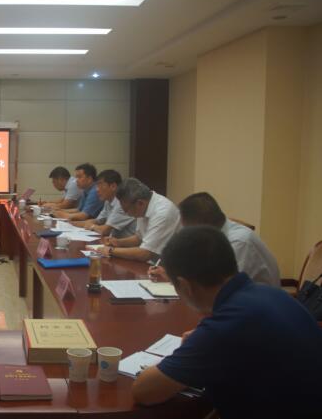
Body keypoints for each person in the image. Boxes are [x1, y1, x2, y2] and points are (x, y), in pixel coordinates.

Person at [132, 226, 322, 419]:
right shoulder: (272, 294)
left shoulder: (224, 328)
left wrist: (192, 351)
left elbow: (144, 392)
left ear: (184, 286)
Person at [148, 192, 280, 286]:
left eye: (187, 228)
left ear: (202, 224)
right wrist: (172, 276)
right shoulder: (213, 236)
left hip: (258, 309)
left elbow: (224, 287)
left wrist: (180, 281)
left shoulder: (238, 242)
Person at [98, 178, 179, 262]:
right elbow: (139, 238)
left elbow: (145, 253)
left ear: (140, 203)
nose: (126, 213)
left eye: (127, 210)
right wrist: (118, 242)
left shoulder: (162, 213)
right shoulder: (144, 204)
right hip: (155, 263)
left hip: (171, 265)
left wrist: (111, 250)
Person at [71, 169, 135, 238]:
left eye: (100, 185)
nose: (97, 190)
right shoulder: (108, 201)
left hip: (125, 242)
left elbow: (105, 230)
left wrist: (91, 226)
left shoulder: (121, 203)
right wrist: (74, 224)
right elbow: (98, 221)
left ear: (113, 186)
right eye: (97, 186)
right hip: (114, 240)